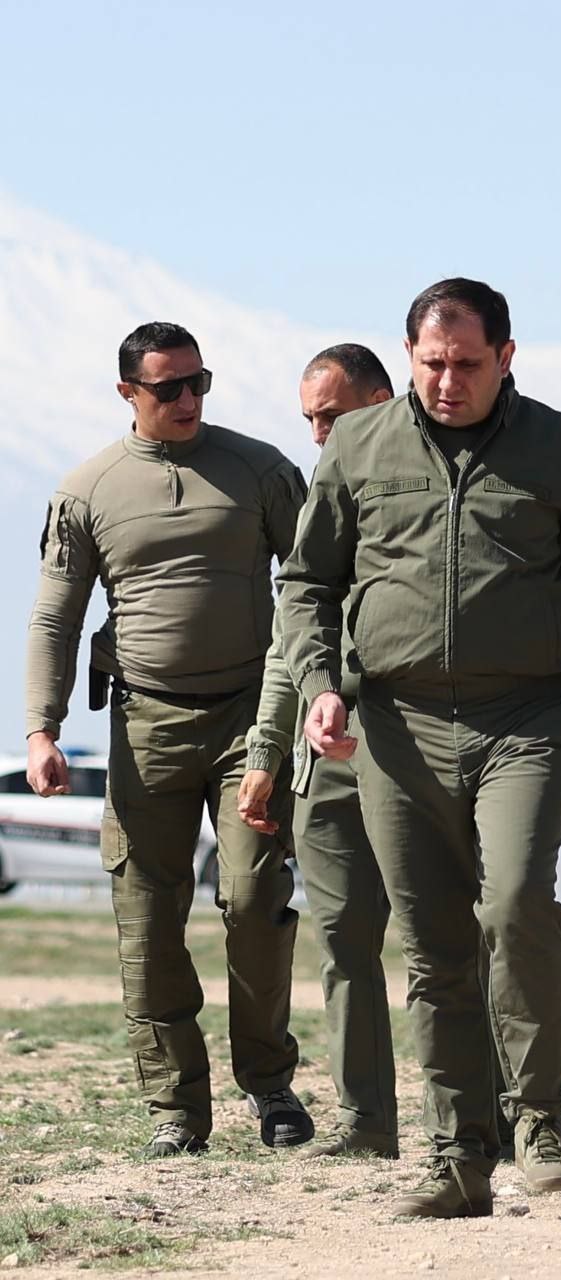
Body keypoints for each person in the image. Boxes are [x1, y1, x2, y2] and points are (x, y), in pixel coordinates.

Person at [276, 278, 561, 1218]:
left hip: (525, 719)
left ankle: (539, 1117)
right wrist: (320, 686)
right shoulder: (358, 445)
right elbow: (307, 584)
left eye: (467, 364)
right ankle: (457, 1157)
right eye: (432, 363)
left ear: (506, 357)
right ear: (408, 358)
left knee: (515, 902)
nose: (447, 382)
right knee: (434, 947)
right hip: (395, 728)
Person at [24, 321, 314, 1158]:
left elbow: (313, 588)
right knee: (147, 920)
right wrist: (42, 728)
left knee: (255, 901)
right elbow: (55, 617)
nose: (189, 400)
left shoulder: (260, 471)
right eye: (169, 388)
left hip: (251, 720)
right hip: (144, 724)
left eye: (199, 382)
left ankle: (270, 1085)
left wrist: (318, 700)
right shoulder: (88, 490)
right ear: (128, 393)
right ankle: (175, 1110)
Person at [237, 343, 399, 1157]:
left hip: (418, 752)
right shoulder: (316, 504)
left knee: (458, 938)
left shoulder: (431, 487)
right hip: (324, 762)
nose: (317, 434)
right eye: (308, 419)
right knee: (341, 942)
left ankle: (494, 1115)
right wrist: (265, 755)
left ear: (379, 402)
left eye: (329, 415)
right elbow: (288, 644)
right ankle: (367, 1123)